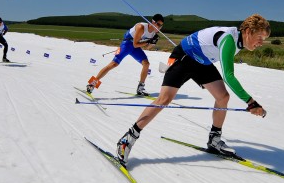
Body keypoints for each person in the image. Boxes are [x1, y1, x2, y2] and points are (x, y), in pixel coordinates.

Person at [116, 14, 271, 165]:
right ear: (249, 31)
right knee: (164, 99)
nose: (261, 43)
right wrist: (251, 102)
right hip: (184, 56)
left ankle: (214, 140)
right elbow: (228, 76)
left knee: (223, 97)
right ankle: (127, 139)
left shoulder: (238, 40)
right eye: (260, 38)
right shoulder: (229, 39)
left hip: (201, 62)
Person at [86, 14, 164, 96]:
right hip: (127, 44)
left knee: (146, 64)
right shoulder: (141, 27)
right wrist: (148, 42)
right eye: (158, 24)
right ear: (152, 22)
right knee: (114, 64)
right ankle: (92, 84)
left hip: (136, 48)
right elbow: (135, 44)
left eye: (161, 25)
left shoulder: (153, 34)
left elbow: (147, 47)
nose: (159, 27)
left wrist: (153, 43)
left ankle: (140, 88)